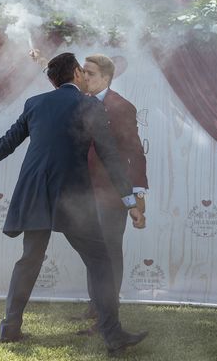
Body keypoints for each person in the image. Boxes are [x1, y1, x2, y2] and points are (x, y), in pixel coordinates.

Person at [0, 52, 148, 355]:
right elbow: (110, 156)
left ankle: (9, 329)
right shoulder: (91, 105)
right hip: (71, 198)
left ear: (53, 80)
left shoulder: (35, 104)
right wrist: (131, 201)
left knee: (29, 260)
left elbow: (4, 145)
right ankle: (113, 335)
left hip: (34, 193)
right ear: (76, 73)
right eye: (82, 71)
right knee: (101, 261)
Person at [76, 54, 148, 331]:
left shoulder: (121, 107)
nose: (84, 77)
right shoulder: (80, 104)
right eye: (82, 72)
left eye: (90, 73)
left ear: (106, 78)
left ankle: (108, 315)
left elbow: (135, 152)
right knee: (94, 252)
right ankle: (96, 307)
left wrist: (137, 195)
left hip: (111, 194)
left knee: (108, 253)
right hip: (83, 193)